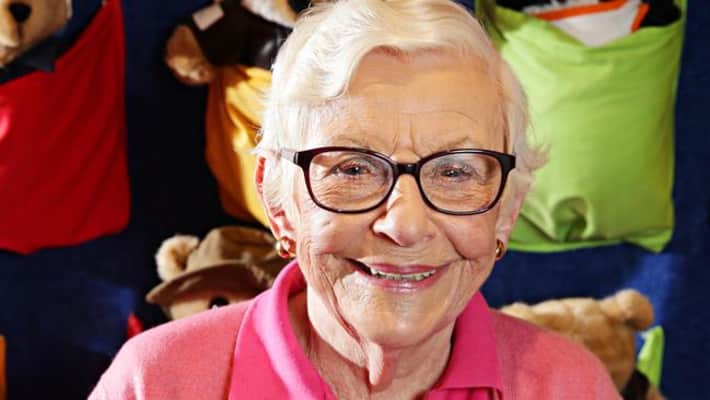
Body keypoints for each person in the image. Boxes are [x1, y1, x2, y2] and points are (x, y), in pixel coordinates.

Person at [90, 0, 620, 398]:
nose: (405, 225)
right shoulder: (155, 382)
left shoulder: (570, 386)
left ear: (506, 211)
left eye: (455, 171)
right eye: (354, 168)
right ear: (279, 203)